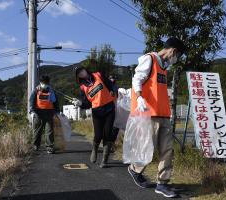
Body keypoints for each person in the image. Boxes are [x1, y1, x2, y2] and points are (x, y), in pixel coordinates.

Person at [128, 37, 185, 198]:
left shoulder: (164, 67)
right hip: (149, 114)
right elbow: (136, 79)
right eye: (178, 55)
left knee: (167, 150)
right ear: (173, 51)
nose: (177, 59)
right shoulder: (149, 59)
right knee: (148, 149)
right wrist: (139, 97)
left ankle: (162, 184)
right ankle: (135, 169)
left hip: (164, 114)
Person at [72, 67, 116, 168]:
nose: (82, 73)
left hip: (109, 108)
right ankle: (95, 149)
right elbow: (87, 104)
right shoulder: (83, 87)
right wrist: (80, 103)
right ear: (78, 76)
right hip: (97, 111)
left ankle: (104, 160)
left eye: (82, 70)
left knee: (107, 133)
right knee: (98, 135)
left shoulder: (98, 75)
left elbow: (110, 84)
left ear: (85, 70)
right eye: (79, 73)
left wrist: (112, 90)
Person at [29, 75, 59, 154]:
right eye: (43, 82)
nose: (44, 84)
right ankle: (35, 145)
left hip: (49, 113)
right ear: (40, 82)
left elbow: (55, 102)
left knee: (49, 131)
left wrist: (57, 112)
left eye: (45, 83)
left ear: (48, 83)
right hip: (38, 113)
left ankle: (50, 147)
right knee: (37, 131)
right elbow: (31, 101)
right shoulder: (36, 91)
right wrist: (32, 111)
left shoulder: (51, 91)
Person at [108, 75, 120, 143]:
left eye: (113, 77)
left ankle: (112, 141)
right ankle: (109, 142)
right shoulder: (106, 86)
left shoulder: (116, 86)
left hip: (115, 106)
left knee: (116, 125)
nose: (112, 79)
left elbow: (117, 96)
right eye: (110, 78)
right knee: (110, 125)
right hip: (108, 107)